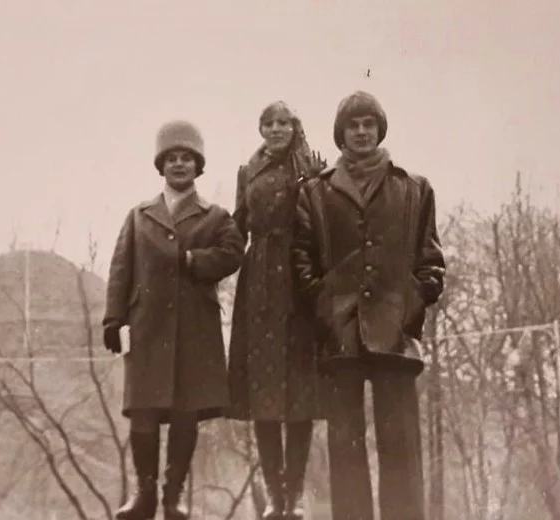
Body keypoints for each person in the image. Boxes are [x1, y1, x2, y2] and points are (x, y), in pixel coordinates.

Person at [292, 91, 446, 520]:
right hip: (339, 334)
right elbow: (301, 260)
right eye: (352, 125)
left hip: (395, 334)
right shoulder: (316, 192)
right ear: (340, 134)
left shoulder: (414, 187)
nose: (361, 132)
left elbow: (431, 261)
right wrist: (325, 305)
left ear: (380, 129)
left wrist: (410, 307)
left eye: (368, 124)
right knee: (345, 444)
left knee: (401, 445)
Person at [102, 120, 245, 520]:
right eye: (171, 158)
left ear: (198, 166)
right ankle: (144, 496)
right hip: (146, 329)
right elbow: (120, 269)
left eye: (187, 158)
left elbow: (234, 253)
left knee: (185, 411)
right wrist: (113, 320)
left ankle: (172, 496)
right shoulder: (138, 216)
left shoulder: (215, 216)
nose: (179, 165)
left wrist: (194, 261)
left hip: (194, 332)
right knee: (143, 410)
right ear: (160, 165)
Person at [227, 101, 325, 519]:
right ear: (260, 128)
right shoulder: (247, 171)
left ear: (294, 126)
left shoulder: (310, 163)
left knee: (300, 391)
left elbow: (321, 216)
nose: (276, 129)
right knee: (263, 393)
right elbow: (237, 224)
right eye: (269, 123)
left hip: (299, 277)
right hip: (259, 283)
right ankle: (275, 495)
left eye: (283, 122)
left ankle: (297, 493)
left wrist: (316, 180)